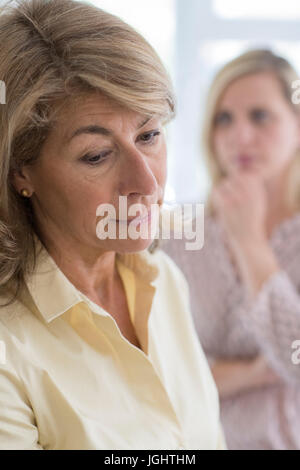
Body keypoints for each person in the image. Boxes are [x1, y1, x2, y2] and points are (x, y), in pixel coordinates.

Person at [0, 0, 226, 451]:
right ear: (20, 171)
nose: (146, 183)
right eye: (97, 156)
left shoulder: (163, 281)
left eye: (149, 135)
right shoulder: (10, 348)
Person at [163, 49, 300, 450]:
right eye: (224, 119)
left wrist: (249, 243)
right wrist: (256, 371)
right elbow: (161, 374)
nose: (239, 136)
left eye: (260, 116)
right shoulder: (181, 239)